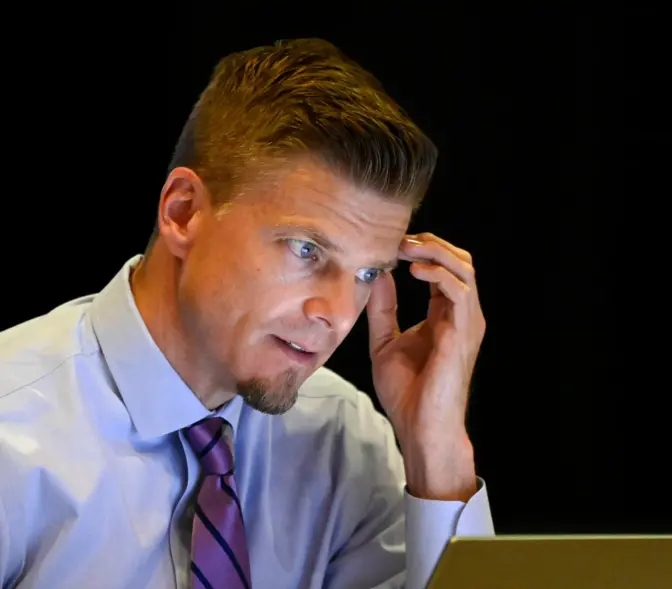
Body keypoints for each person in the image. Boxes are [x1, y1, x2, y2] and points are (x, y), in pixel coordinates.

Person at [0, 38, 494, 589]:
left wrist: (439, 451)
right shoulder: (11, 436)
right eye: (307, 250)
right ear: (184, 213)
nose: (335, 315)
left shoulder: (345, 441)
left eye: (367, 274)